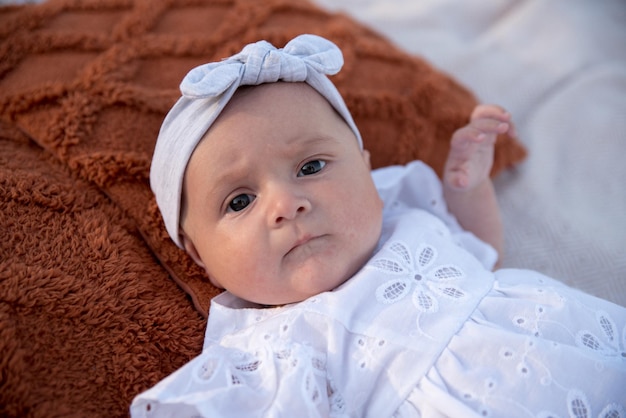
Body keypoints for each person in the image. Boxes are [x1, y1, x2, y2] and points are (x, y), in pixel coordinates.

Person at [131, 34, 626, 417]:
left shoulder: (404, 214)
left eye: (311, 167)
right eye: (240, 200)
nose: (286, 204)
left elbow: (482, 253)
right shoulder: (264, 351)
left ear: (367, 169)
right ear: (198, 255)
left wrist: (469, 186)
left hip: (566, 351)